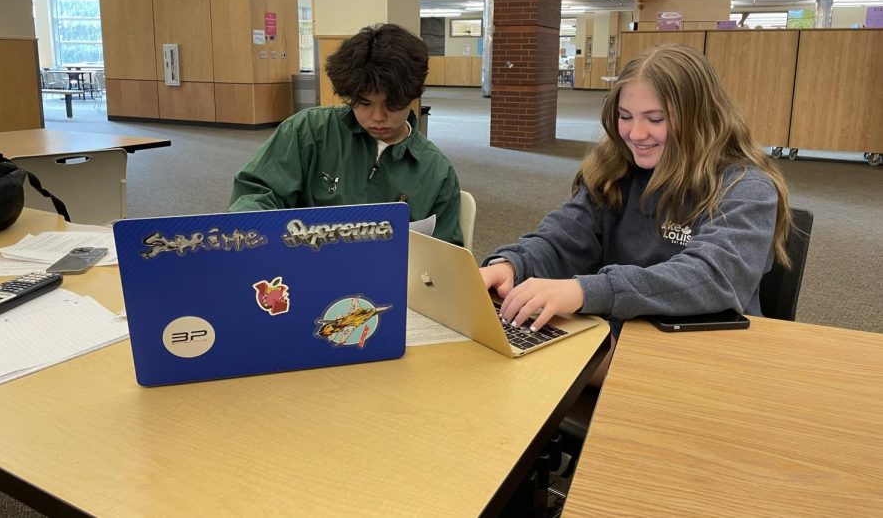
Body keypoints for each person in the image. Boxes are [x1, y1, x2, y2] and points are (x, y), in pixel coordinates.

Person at [481, 43, 792, 343]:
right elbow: (563, 237)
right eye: (625, 116)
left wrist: (586, 292)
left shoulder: (747, 188)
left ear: (700, 117)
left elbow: (711, 277)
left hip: (702, 349)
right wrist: (511, 265)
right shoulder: (614, 172)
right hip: (620, 334)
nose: (636, 133)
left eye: (655, 119)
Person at [229, 23, 464, 246]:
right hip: (306, 272)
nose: (378, 117)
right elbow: (255, 193)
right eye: (364, 103)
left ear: (413, 96)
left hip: (393, 283)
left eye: (392, 105)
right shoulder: (309, 131)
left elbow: (447, 255)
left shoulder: (436, 171)